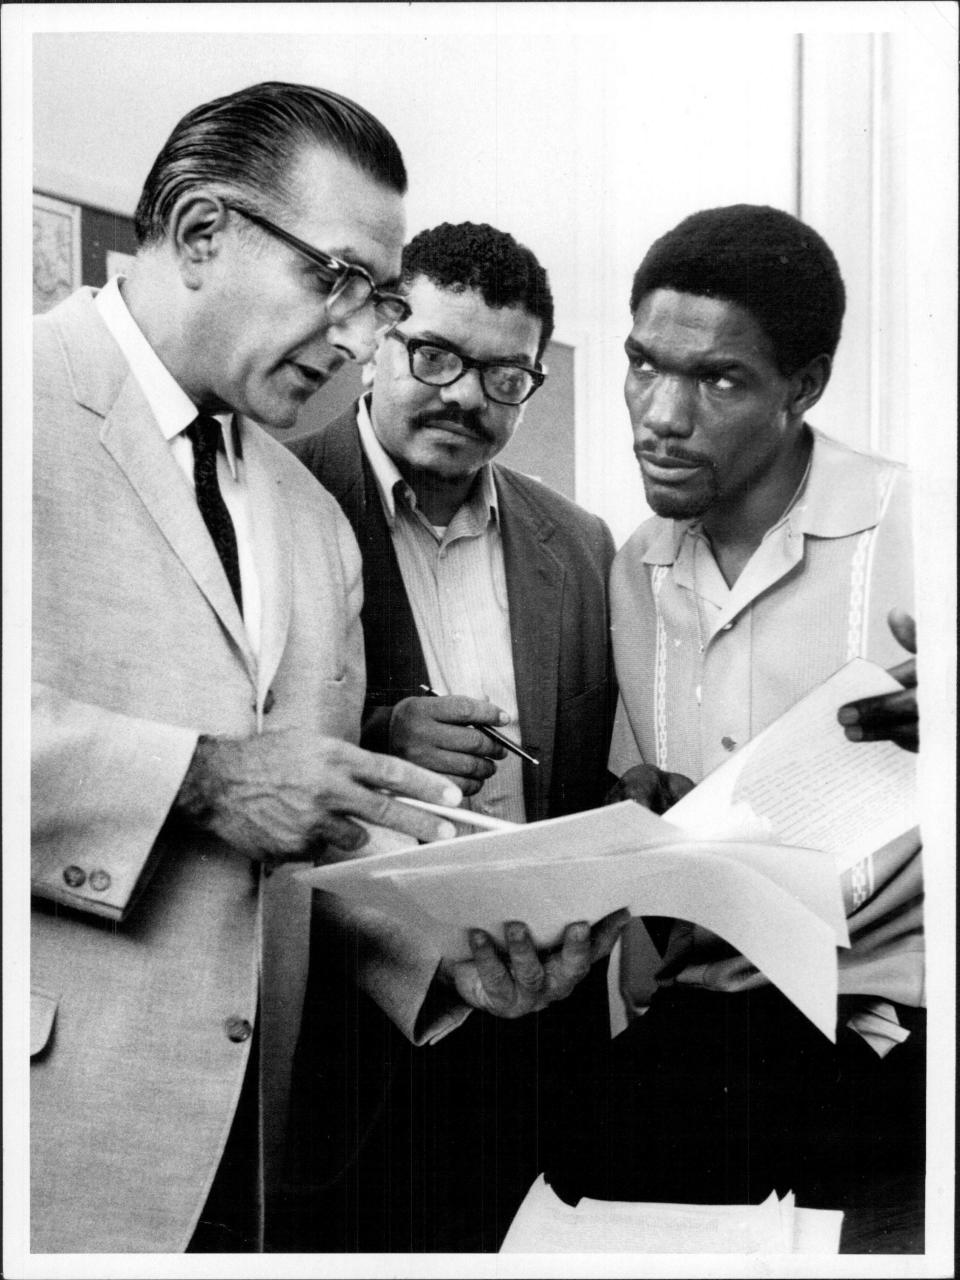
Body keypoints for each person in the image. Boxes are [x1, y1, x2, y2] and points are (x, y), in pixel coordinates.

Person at [31, 80, 480, 1254]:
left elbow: (305, 824)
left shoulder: (311, 515)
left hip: (255, 1161)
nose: (363, 336)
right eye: (333, 280)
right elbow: (242, 784)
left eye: (377, 298)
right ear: (196, 231)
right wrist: (203, 779)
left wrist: (460, 958)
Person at [545, 204, 924, 1237]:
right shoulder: (630, 562)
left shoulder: (929, 530)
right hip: (712, 1023)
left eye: (718, 378)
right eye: (641, 364)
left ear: (802, 387)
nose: (659, 414)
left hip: (903, 1030)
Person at [284, 221, 619, 1250]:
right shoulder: (278, 500)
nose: (467, 396)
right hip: (353, 1042)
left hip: (540, 1027)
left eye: (505, 376)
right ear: (379, 336)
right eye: (435, 355)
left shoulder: (581, 541)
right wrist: (383, 730)